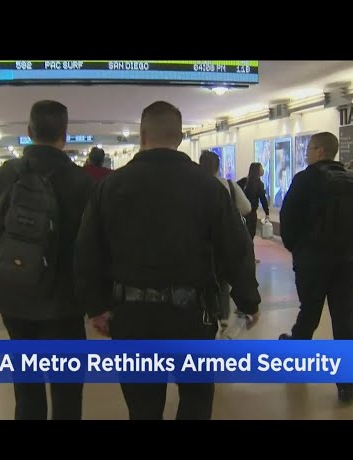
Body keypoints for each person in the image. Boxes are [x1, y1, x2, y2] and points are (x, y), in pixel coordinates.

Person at [74, 101, 261, 420]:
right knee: (196, 400)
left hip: (131, 316)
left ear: (142, 135)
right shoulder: (208, 186)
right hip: (192, 316)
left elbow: (88, 250)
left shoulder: (111, 185)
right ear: (180, 136)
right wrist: (248, 300)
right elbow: (235, 248)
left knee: (143, 407)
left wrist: (96, 306)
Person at [0, 100, 94, 420]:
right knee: (67, 392)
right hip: (65, 304)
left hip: (13, 299)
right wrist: (101, 303)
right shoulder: (83, 182)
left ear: (29, 131)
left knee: (26, 388)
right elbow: (94, 247)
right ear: (65, 134)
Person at [278, 132, 353, 404]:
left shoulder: (305, 180)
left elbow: (288, 219)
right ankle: (348, 386)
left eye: (309, 148)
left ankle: (296, 359)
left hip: (313, 262)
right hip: (347, 263)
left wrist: (297, 249)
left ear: (319, 151)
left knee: (309, 312)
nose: (307, 153)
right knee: (345, 320)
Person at [199, 149, 251, 334]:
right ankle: (222, 316)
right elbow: (246, 207)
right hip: (223, 242)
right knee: (222, 280)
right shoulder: (228, 185)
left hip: (200, 242)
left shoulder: (194, 184)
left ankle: (204, 311)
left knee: (202, 277)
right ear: (218, 166)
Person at [237, 162, 270, 259]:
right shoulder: (259, 184)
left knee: (244, 234)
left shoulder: (243, 181)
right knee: (251, 234)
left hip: (242, 213)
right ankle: (250, 257)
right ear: (257, 170)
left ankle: (243, 255)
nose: (263, 170)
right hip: (251, 213)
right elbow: (263, 199)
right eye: (261, 168)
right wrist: (267, 212)